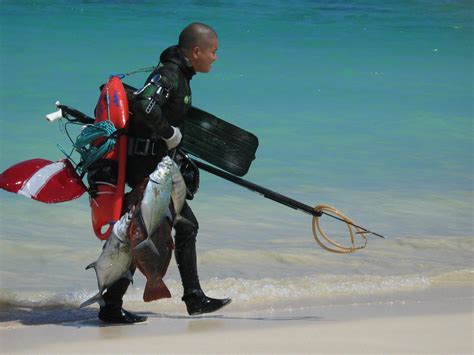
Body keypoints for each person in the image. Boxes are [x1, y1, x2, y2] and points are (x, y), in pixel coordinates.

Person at [97, 23, 231, 324]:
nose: (215, 57)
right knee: (145, 232)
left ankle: (191, 297)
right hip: (146, 169)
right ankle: (113, 305)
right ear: (196, 51)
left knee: (175, 227)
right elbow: (144, 103)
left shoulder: (180, 74)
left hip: (155, 166)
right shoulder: (169, 73)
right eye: (213, 51)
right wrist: (168, 131)